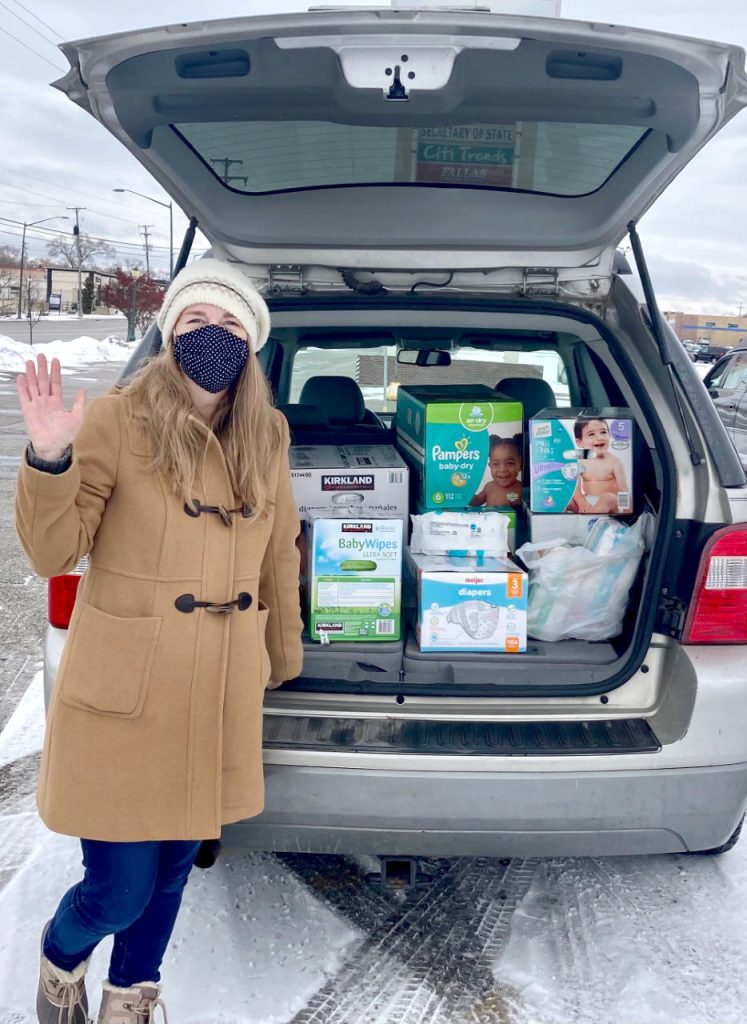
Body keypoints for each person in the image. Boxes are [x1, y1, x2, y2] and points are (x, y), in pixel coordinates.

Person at [14, 259, 304, 1024]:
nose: (214, 337)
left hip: (216, 686)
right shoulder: (116, 417)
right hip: (129, 690)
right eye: (196, 322)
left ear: (254, 342)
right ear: (169, 333)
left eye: (232, 324)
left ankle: (130, 998)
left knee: (175, 868)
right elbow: (54, 550)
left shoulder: (266, 433)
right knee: (117, 890)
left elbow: (279, 550)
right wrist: (50, 456)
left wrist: (281, 656)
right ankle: (61, 955)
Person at [569, 417, 631, 513]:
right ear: (580, 442)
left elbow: (624, 489)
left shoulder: (614, 462)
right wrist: (582, 503)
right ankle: (586, 515)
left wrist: (626, 512)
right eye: (591, 434)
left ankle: (591, 518)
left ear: (609, 436)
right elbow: (575, 490)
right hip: (589, 501)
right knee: (568, 501)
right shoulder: (580, 461)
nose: (599, 437)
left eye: (603, 432)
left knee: (607, 497)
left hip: (612, 503)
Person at [469, 433, 523, 508]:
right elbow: (478, 500)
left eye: (510, 463)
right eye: (496, 464)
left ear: (520, 464)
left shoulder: (521, 488)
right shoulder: (489, 487)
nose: (502, 469)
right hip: (490, 519)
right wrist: (465, 495)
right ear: (490, 466)